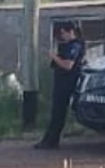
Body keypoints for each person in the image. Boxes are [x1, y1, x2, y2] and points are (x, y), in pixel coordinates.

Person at [34, 20, 86, 150]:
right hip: (62, 82)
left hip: (67, 83)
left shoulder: (74, 46)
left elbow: (68, 65)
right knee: (56, 112)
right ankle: (49, 139)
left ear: (71, 32)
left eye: (64, 33)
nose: (62, 36)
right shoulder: (68, 46)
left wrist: (54, 57)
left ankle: (52, 141)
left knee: (58, 112)